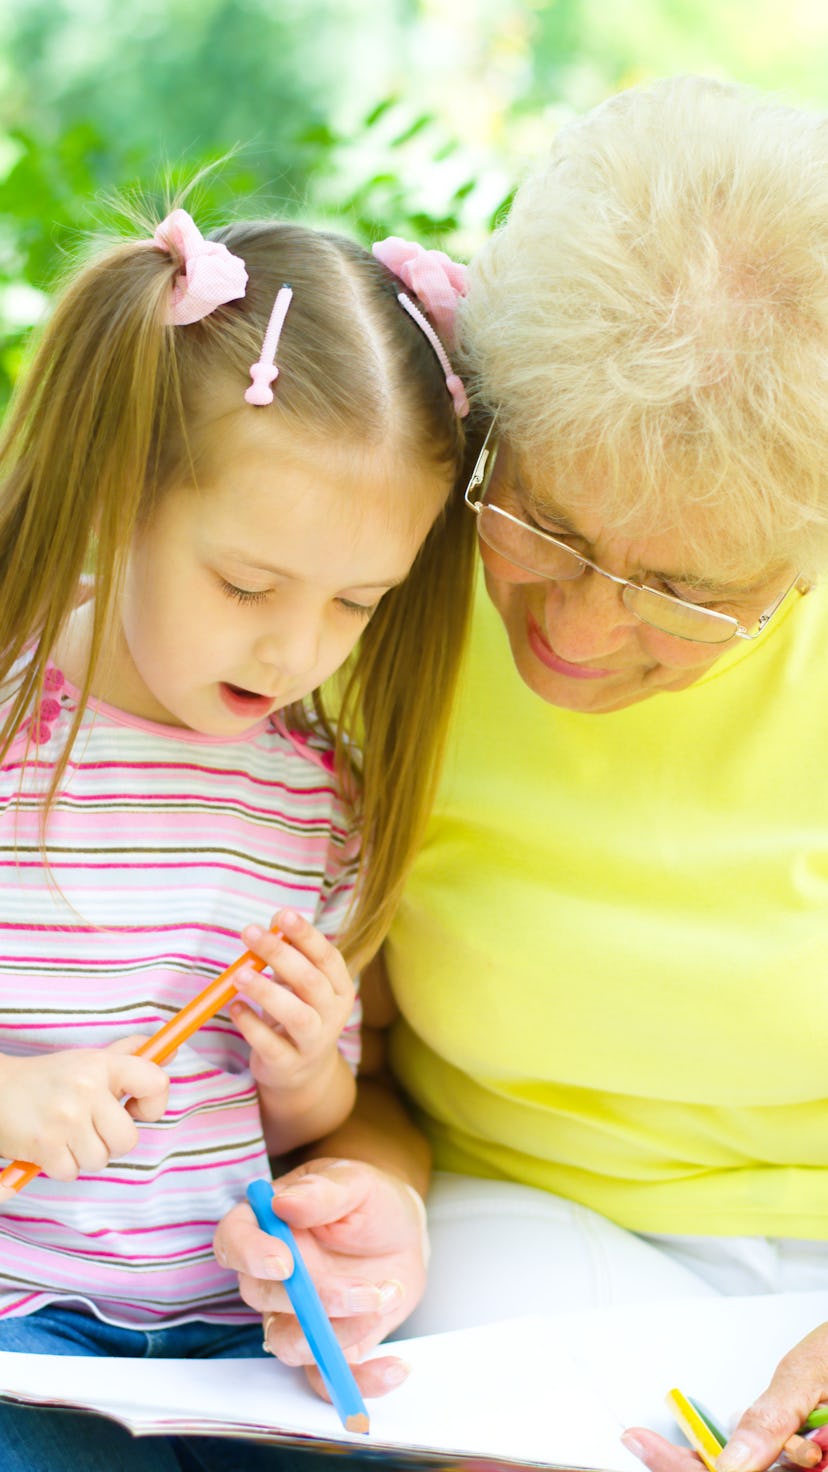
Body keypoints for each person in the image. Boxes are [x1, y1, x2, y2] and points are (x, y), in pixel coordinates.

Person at [216, 75, 828, 1472]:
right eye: (541, 522)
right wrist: (360, 1201)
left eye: (681, 589)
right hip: (531, 1236)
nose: (575, 628)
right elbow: (359, 1062)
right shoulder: (353, 596)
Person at [0, 203, 475, 1470]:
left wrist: (305, 1073)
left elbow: (324, 1116)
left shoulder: (316, 794)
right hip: (18, 1342)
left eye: (358, 603)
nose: (298, 650)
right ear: (119, 493)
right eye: (247, 585)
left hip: (236, 1356)